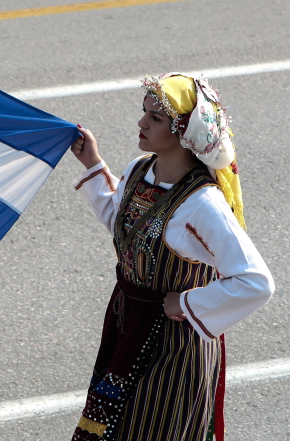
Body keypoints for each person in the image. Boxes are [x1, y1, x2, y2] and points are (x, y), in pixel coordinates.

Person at [68, 73, 274, 441]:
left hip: (173, 347)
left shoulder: (203, 204)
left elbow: (256, 282)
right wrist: (94, 165)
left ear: (185, 132)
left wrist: (187, 301)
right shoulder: (139, 170)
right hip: (127, 323)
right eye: (144, 112)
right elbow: (126, 227)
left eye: (156, 118)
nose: (141, 122)